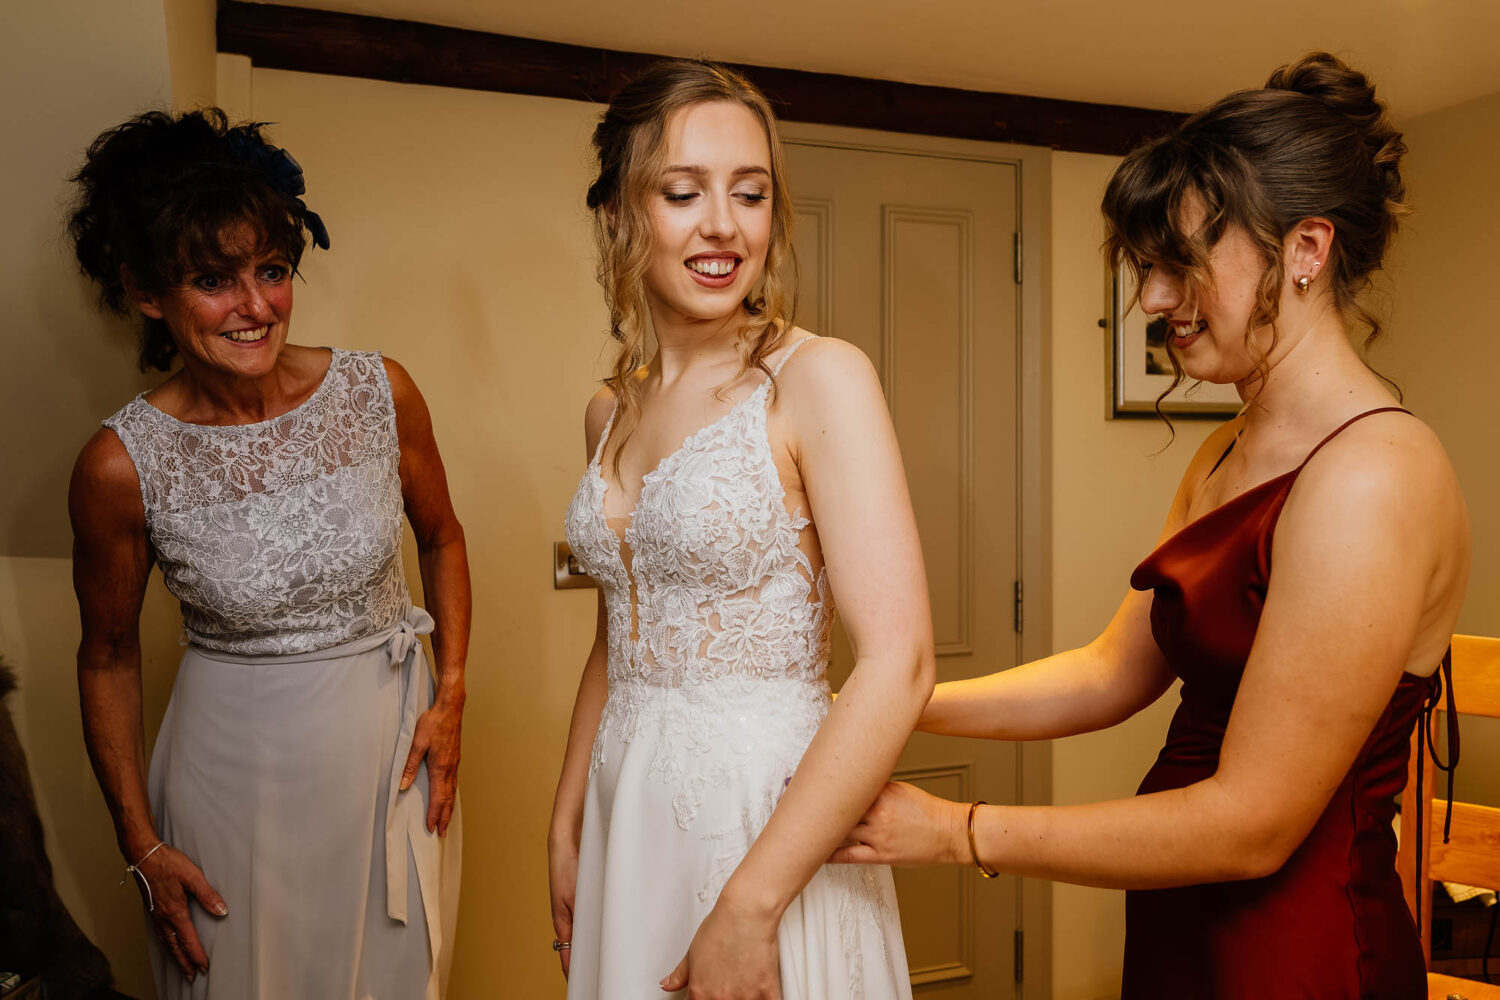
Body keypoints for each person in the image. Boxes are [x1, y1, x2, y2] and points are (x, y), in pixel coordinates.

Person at [828, 52, 1469, 1000]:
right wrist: (899, 700)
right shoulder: (1224, 454)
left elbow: (1253, 823)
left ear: (1306, 249)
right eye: (1149, 269)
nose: (1155, 301)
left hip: (1296, 953)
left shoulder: (1374, 478)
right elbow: (1110, 671)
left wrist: (959, 832)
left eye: (1181, 265)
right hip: (1183, 922)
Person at [549, 60, 933, 999]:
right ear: (618, 214)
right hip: (623, 805)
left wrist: (752, 904)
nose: (723, 224)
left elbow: (901, 662)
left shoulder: (818, 378)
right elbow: (621, 636)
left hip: (763, 816)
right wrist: (566, 820)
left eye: (750, 193)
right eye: (683, 192)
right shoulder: (609, 414)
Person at [67, 109, 467, 999]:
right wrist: (143, 846)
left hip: (387, 760)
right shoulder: (117, 465)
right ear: (145, 291)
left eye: (272, 271)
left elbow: (442, 534)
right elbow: (108, 656)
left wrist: (453, 694)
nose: (256, 307)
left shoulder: (378, 392)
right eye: (214, 280)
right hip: (227, 787)